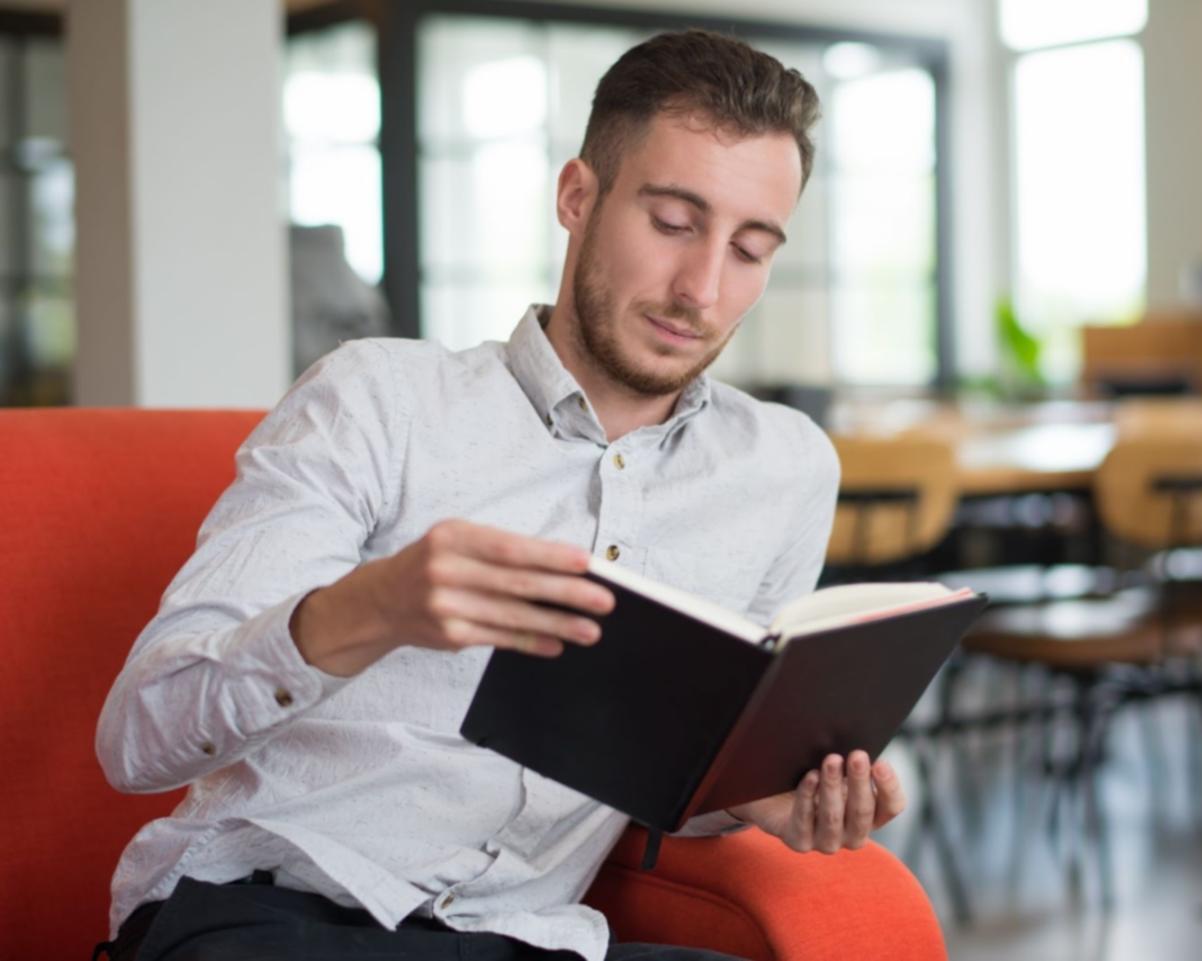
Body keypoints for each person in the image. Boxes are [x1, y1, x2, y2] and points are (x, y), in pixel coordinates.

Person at [95, 29, 906, 961]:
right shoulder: (377, 399)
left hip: (525, 936)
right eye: (674, 223)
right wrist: (371, 610)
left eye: (752, 249)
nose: (703, 290)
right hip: (273, 911)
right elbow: (137, 740)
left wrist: (750, 793)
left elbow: (676, 778)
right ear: (578, 197)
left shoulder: (785, 468)